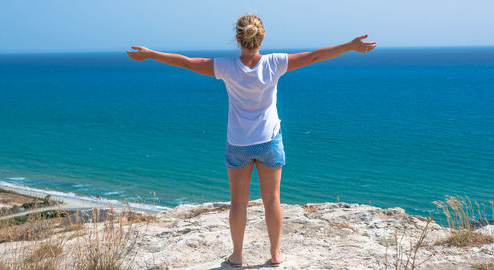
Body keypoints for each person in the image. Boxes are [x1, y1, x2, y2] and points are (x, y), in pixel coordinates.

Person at [127, 14, 376, 268]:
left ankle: (237, 256)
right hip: (269, 141)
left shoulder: (225, 66)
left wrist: (150, 53)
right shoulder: (275, 63)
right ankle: (276, 254)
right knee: (272, 200)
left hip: (238, 144)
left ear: (238, 39)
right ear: (262, 37)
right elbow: (314, 56)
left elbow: (188, 63)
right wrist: (350, 46)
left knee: (238, 203)